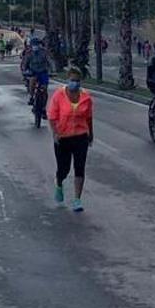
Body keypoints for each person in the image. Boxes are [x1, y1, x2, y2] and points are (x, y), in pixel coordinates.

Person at [48, 68, 94, 212]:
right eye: (72, 80)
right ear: (67, 80)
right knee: (64, 168)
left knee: (79, 168)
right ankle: (59, 182)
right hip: (63, 137)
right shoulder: (59, 96)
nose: (75, 83)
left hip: (81, 136)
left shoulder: (86, 97)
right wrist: (55, 134)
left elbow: (89, 117)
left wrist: (90, 133)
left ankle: (77, 200)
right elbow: (52, 117)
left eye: (77, 81)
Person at [26, 38, 50, 106]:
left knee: (45, 90)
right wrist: (25, 71)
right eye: (33, 44)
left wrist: (51, 70)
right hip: (33, 72)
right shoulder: (29, 53)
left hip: (43, 72)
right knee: (32, 82)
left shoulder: (44, 52)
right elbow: (25, 64)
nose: (35, 46)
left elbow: (49, 62)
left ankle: (44, 107)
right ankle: (31, 97)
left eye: (36, 44)